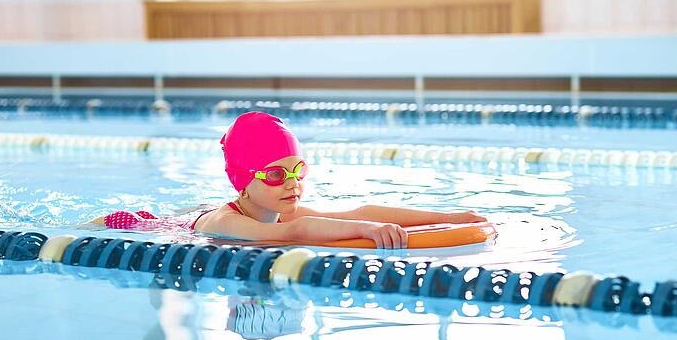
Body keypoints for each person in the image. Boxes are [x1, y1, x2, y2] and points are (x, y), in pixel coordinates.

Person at [94, 111, 487, 249]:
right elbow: (293, 233)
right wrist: (370, 230)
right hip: (139, 227)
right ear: (243, 181)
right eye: (277, 174)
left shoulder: (273, 205)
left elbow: (356, 211)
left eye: (298, 171)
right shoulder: (228, 221)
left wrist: (453, 214)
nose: (292, 184)